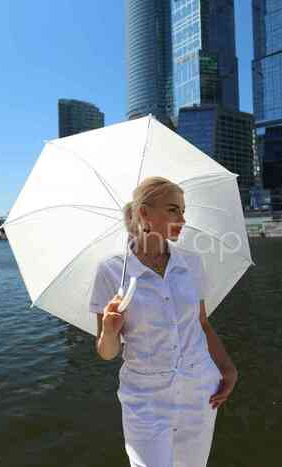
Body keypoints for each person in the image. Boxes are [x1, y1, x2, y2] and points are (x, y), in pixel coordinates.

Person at [89, 176, 238, 467]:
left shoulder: (192, 262)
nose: (182, 219)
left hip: (199, 391)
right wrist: (109, 330)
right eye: (173, 210)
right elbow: (107, 353)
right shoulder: (111, 271)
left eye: (183, 210)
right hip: (145, 401)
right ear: (144, 213)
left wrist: (228, 368)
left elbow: (202, 323)